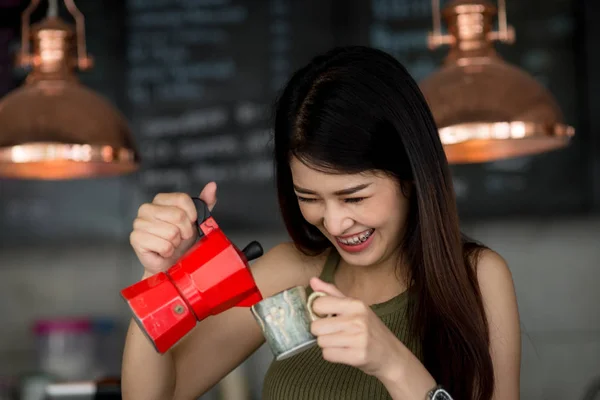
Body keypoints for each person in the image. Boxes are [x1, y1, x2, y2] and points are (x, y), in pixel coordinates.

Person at [121, 46, 521, 400]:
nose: (334, 221)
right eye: (308, 198)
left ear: (411, 177)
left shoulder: (478, 277)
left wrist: (394, 364)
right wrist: (158, 280)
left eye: (354, 197)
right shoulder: (290, 276)